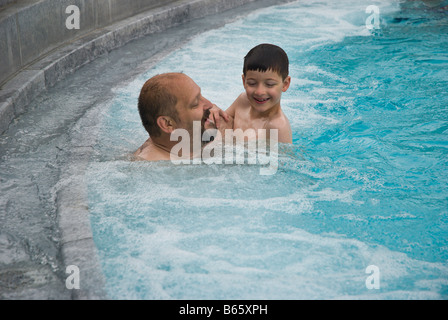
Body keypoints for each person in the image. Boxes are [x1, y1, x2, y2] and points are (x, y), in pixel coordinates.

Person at [134, 72, 231, 161]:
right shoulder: (157, 170)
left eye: (201, 96)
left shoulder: (181, 145)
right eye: (195, 103)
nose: (210, 104)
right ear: (168, 124)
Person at [225, 43, 292, 143]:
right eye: (252, 83)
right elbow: (221, 123)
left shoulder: (278, 127)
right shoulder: (242, 101)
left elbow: (284, 158)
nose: (259, 92)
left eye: (269, 84)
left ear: (285, 84)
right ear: (244, 81)